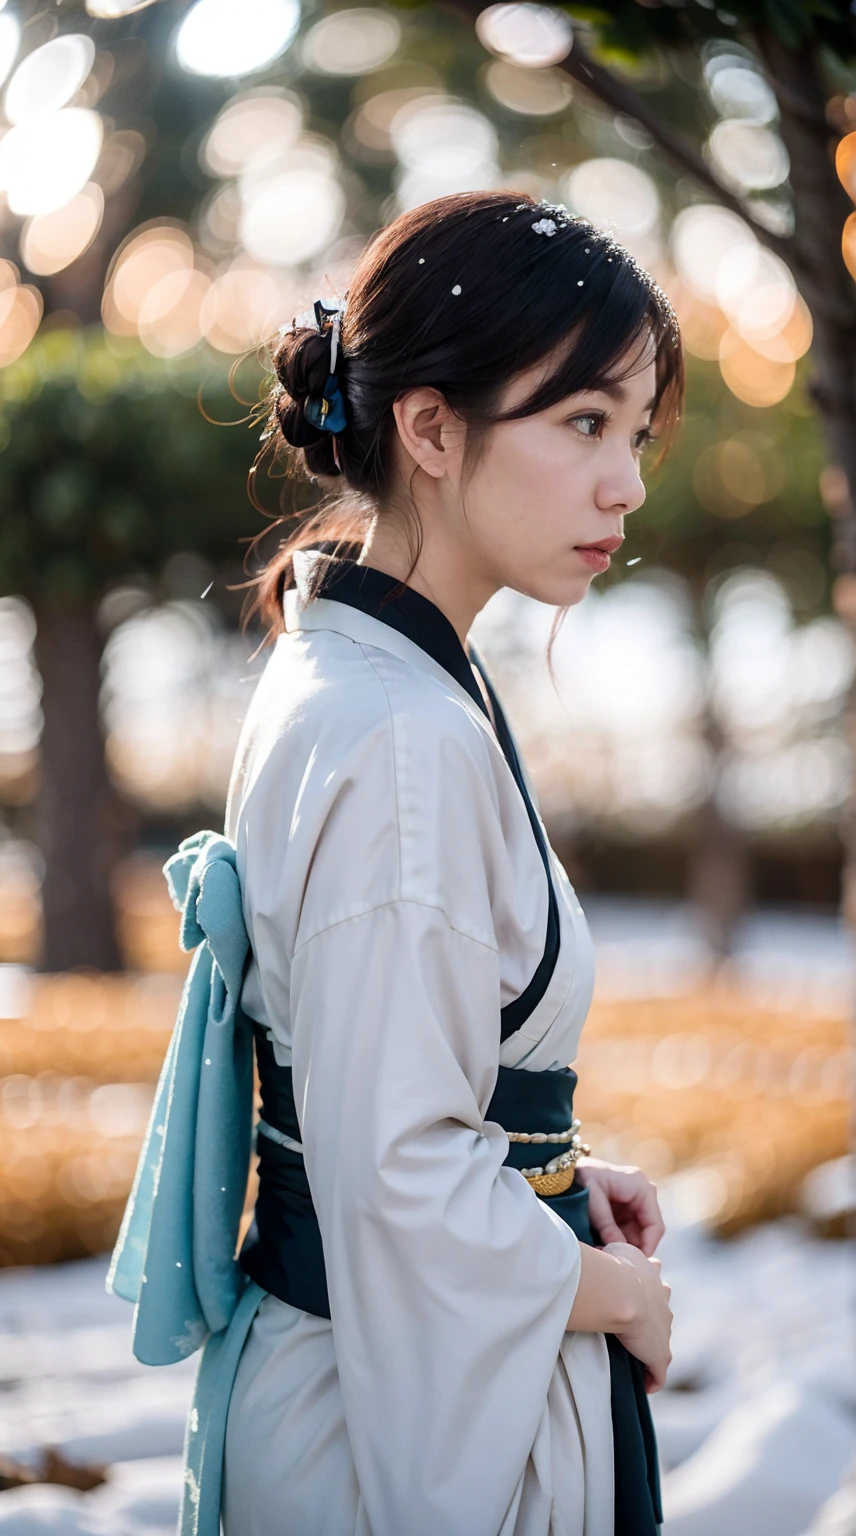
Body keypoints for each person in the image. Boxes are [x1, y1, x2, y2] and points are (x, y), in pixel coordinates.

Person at [221, 189, 683, 1536]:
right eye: (585, 423)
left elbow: (374, 1087)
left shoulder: (346, 665)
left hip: (335, 1362)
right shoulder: (404, 739)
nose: (628, 483)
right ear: (429, 427)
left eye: (637, 432)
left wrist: (545, 1171)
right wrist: (609, 1293)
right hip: (375, 1428)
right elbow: (395, 1178)